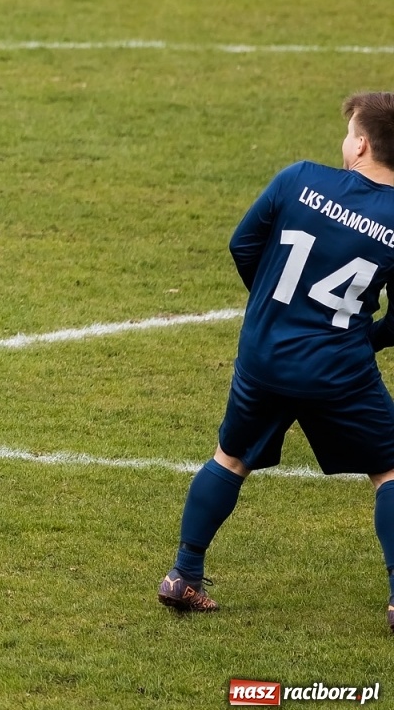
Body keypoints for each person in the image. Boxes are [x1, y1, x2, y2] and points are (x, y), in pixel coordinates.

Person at [158, 93, 394, 626]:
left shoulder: (298, 179)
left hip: (264, 356)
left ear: (360, 143)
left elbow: (244, 244)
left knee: (230, 457)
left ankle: (182, 575)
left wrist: (273, 313)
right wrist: (369, 339)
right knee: (389, 468)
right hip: (340, 370)